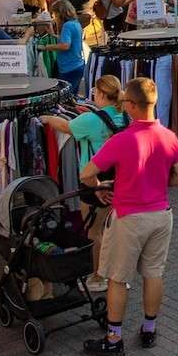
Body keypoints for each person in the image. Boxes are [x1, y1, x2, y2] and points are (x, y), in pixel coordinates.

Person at [79, 76, 178, 356]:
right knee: (154, 273)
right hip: (161, 215)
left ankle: (114, 339)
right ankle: (149, 329)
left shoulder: (122, 140)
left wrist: (101, 187)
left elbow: (86, 174)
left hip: (128, 217)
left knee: (118, 278)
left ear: (131, 105)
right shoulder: (169, 137)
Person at [50, 74, 128, 291]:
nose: (92, 94)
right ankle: (117, 275)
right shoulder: (126, 116)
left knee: (95, 232)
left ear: (101, 94)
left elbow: (65, 127)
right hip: (123, 180)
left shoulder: (92, 120)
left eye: (95, 91)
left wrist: (46, 118)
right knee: (115, 230)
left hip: (96, 181)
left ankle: (97, 277)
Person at [51, 0, 87, 92]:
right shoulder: (75, 23)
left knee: (65, 95)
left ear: (60, 13)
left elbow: (65, 45)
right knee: (73, 95)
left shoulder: (67, 26)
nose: (54, 17)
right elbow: (70, 39)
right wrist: (53, 35)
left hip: (68, 67)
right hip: (77, 65)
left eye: (55, 14)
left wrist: (47, 47)